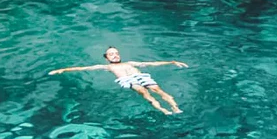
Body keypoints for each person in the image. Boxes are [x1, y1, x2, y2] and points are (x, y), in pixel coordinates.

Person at [48, 47, 186, 115]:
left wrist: (171, 62)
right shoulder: (107, 67)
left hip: (141, 76)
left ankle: (175, 107)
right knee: (144, 92)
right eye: (111, 54)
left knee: (157, 90)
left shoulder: (130, 63)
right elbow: (84, 68)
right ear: (106, 57)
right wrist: (63, 70)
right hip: (127, 80)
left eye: (116, 53)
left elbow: (151, 63)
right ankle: (162, 109)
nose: (115, 55)